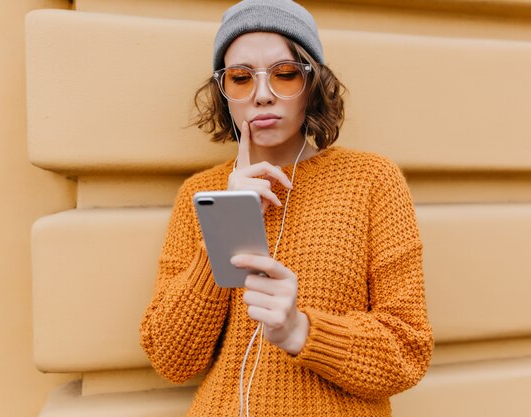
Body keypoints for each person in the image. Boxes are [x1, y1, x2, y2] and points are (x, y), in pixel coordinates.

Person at [139, 1, 434, 416]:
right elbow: (172, 358)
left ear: (313, 83)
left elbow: (407, 351)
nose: (262, 95)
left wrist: (301, 330)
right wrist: (226, 223)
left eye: (285, 74)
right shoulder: (202, 192)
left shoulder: (371, 180)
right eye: (241, 79)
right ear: (224, 92)